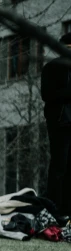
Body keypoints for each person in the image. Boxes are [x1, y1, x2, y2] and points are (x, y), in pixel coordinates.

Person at [41, 33, 71, 218]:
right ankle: (54, 210)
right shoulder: (52, 67)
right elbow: (47, 95)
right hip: (61, 123)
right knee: (59, 167)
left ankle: (67, 211)